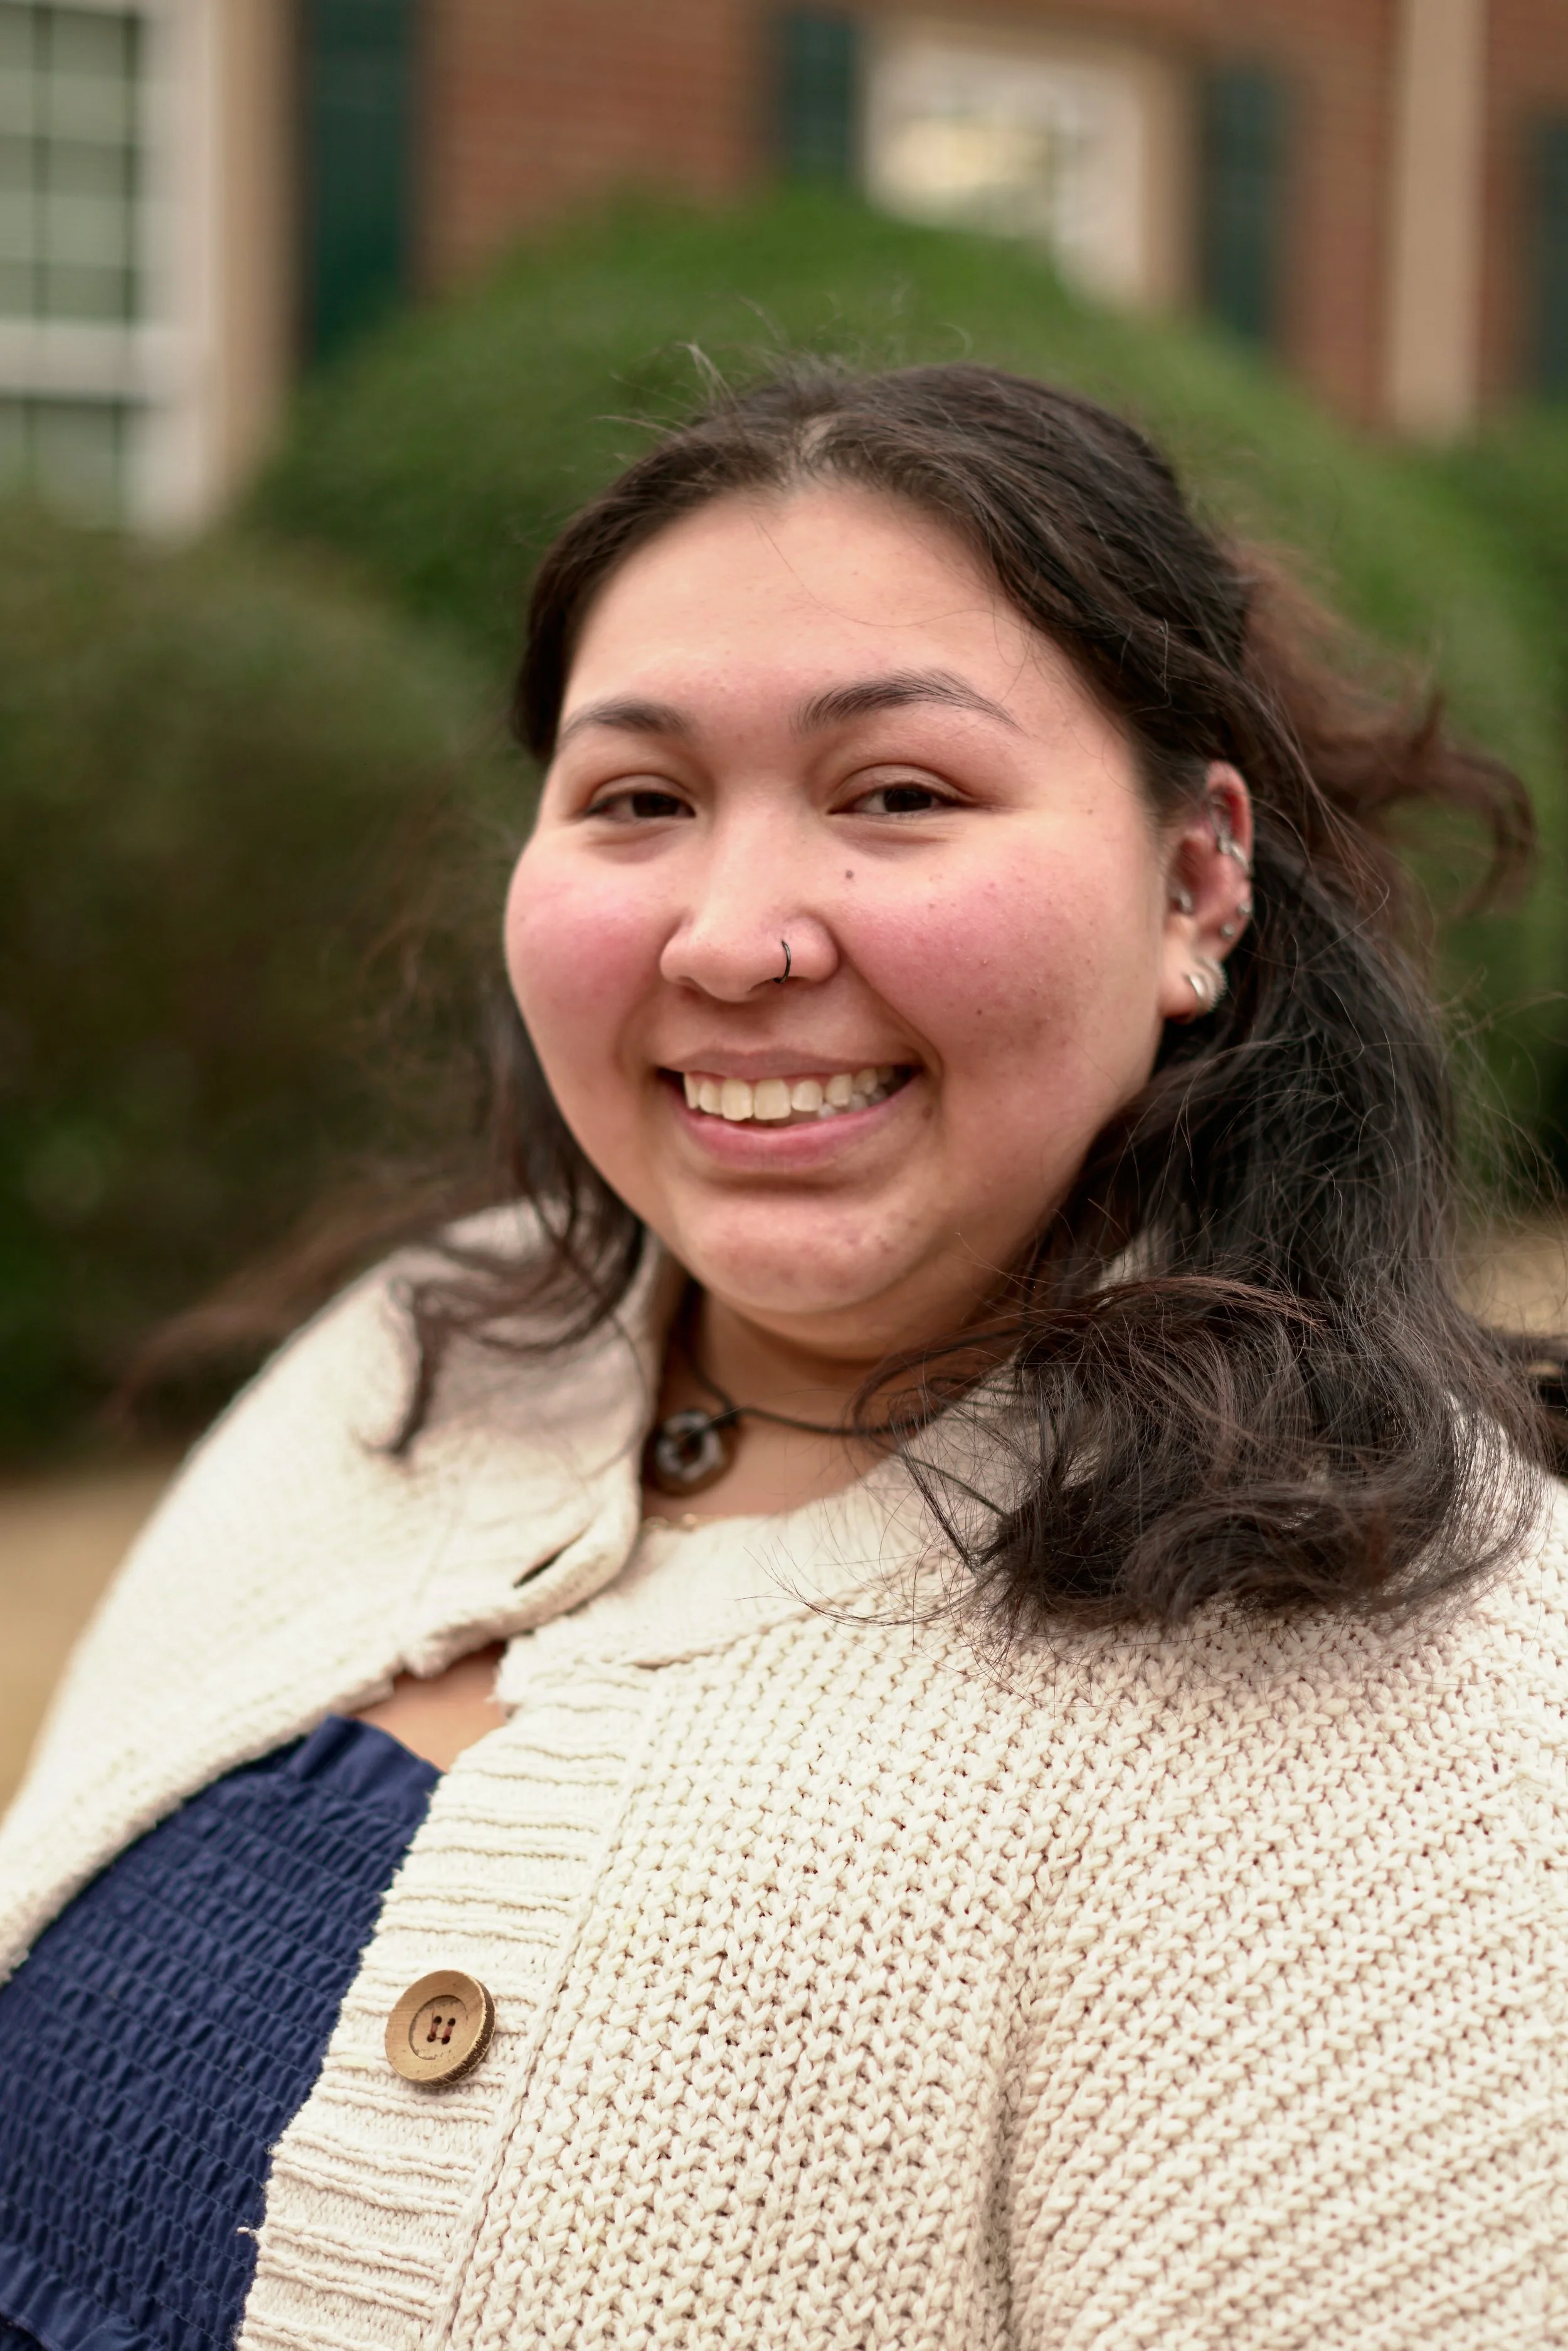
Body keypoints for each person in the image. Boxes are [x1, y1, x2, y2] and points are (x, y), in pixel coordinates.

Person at [0, 362, 1562, 2351]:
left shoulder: (1407, 1695)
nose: (732, 936)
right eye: (636, 800)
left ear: (1193, 883)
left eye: (897, 794)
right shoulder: (407, 1360)